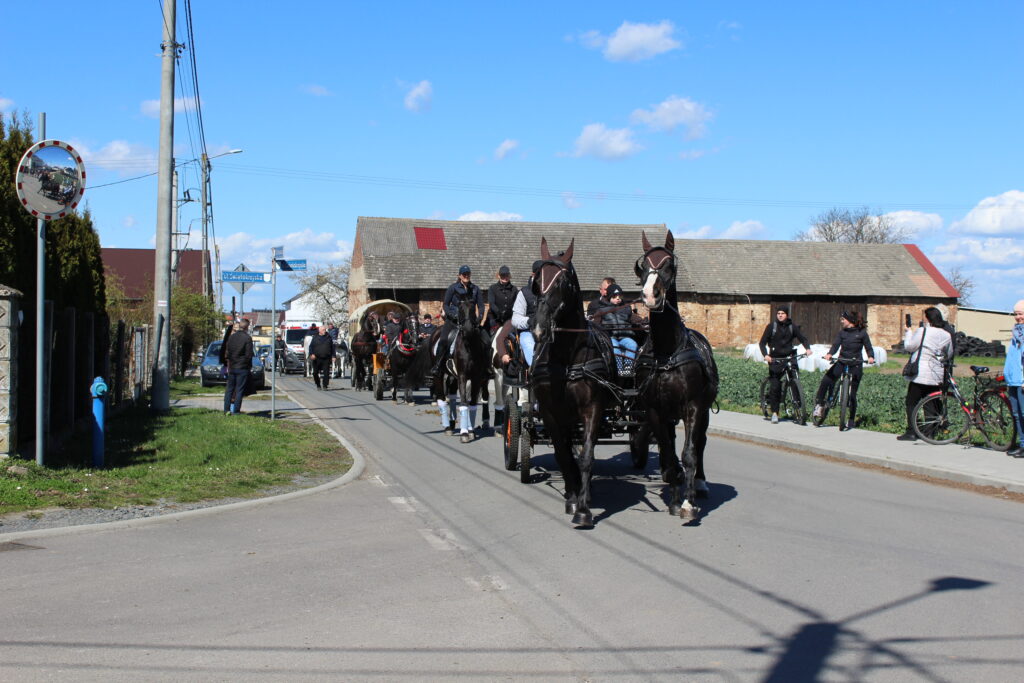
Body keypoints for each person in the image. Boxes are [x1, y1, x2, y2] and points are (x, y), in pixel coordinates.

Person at [897, 307, 955, 441]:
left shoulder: (923, 331)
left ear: (928, 319)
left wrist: (908, 332)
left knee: (912, 402)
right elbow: (949, 353)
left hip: (920, 373)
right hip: (936, 374)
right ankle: (930, 433)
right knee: (931, 404)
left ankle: (912, 431)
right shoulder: (946, 335)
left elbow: (909, 346)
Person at [813, 310, 875, 430]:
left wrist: (871, 357)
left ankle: (851, 419)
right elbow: (836, 345)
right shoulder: (842, 333)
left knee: (852, 394)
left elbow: (868, 347)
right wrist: (830, 354)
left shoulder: (862, 333)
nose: (841, 321)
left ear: (850, 321)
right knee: (826, 380)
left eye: (843, 319)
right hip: (842, 361)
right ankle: (819, 405)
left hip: (855, 364)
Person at [759, 306, 812, 424]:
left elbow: (803, 338)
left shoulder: (792, 327)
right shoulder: (771, 327)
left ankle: (798, 408)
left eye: (782, 313)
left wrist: (808, 348)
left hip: (789, 357)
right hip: (775, 359)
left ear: (787, 315)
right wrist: (766, 355)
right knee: (775, 386)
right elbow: (762, 343)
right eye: (778, 313)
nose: (780, 315)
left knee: (795, 379)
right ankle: (775, 412)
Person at [428, 265, 483, 378]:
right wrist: (452, 315)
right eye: (464, 274)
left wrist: (479, 317)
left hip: (470, 322)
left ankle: (486, 367)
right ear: (459, 276)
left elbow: (481, 306)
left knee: (485, 341)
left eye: (468, 274)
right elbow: (446, 305)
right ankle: (437, 365)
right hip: (453, 321)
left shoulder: (475, 289)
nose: (466, 276)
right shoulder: (452, 288)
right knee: (443, 340)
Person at [593, 284, 638, 374]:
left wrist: (644, 323)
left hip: (624, 337)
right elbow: (595, 323)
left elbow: (635, 319)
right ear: (609, 297)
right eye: (614, 296)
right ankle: (619, 369)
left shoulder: (626, 308)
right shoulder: (602, 310)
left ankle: (628, 368)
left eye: (619, 296)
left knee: (633, 345)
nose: (618, 298)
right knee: (615, 349)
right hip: (610, 337)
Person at [508, 260, 543, 368]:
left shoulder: (551, 291)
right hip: (529, 331)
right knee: (528, 343)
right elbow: (515, 319)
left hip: (548, 332)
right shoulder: (524, 293)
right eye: (540, 273)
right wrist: (530, 321)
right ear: (533, 274)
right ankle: (536, 370)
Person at [1003, 301, 1024, 456]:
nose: (1017, 317)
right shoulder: (1017, 332)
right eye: (1015, 314)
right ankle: (1022, 444)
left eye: (1021, 314)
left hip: (1022, 381)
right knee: (1017, 415)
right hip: (1013, 379)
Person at [223, 318, 254, 414]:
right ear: (247, 327)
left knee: (229, 389)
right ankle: (236, 411)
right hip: (242, 367)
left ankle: (226, 410)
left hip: (232, 366)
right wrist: (248, 365)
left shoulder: (231, 337)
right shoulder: (247, 338)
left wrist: (230, 362)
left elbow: (227, 353)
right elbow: (249, 355)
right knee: (239, 390)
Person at [485, 265, 517, 335]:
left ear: (509, 276)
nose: (505, 277)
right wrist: (499, 313)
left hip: (509, 320)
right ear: (499, 276)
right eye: (503, 275)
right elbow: (492, 303)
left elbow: (516, 305)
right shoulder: (492, 288)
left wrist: (508, 315)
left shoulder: (514, 289)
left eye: (507, 275)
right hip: (495, 319)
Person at [307, 324, 335, 390]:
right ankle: (318, 384)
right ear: (319, 331)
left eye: (325, 330)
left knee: (326, 373)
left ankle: (325, 385)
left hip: (326, 358)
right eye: (323, 330)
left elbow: (332, 347)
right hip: (317, 358)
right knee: (315, 373)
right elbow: (311, 347)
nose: (324, 331)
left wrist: (333, 356)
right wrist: (312, 354)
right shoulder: (315, 337)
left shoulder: (329, 337)